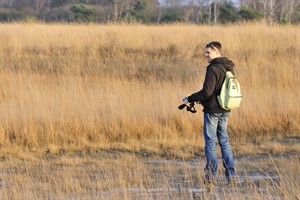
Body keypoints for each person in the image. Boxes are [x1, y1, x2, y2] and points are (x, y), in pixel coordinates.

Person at [182, 41, 235, 185]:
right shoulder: (229, 67)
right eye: (205, 52)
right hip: (226, 109)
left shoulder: (213, 69)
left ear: (216, 51)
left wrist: (189, 98)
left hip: (212, 111)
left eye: (208, 52)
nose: (206, 55)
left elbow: (206, 92)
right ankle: (231, 175)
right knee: (224, 141)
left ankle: (210, 177)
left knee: (210, 143)